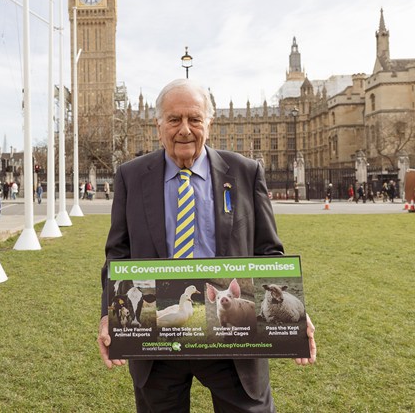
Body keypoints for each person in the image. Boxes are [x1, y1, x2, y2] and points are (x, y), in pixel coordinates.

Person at [97, 79, 316, 412]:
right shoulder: (131, 176)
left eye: (194, 119)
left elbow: (268, 252)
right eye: (174, 119)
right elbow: (118, 254)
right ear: (158, 125)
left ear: (209, 124)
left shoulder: (246, 172)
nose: (185, 129)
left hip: (233, 341)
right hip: (159, 345)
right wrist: (107, 316)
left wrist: (294, 322)